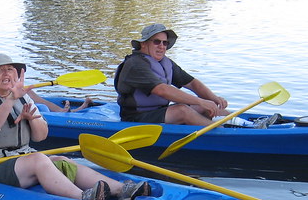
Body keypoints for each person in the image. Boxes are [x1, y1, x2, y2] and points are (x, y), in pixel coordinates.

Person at [0, 54, 150, 200]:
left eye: (10, 69)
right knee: (38, 159)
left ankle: (121, 189)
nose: (6, 74)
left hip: (19, 158)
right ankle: (81, 198)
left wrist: (32, 119)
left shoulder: (24, 98)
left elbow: (41, 136)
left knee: (61, 160)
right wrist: (10, 100)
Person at [114, 22, 277, 127]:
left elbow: (192, 83)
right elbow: (162, 90)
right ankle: (222, 130)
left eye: (165, 43)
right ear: (143, 44)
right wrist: (201, 102)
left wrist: (213, 99)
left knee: (202, 105)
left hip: (157, 112)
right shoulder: (135, 64)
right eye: (156, 42)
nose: (162, 46)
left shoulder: (165, 62)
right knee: (182, 110)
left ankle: (247, 125)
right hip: (135, 119)